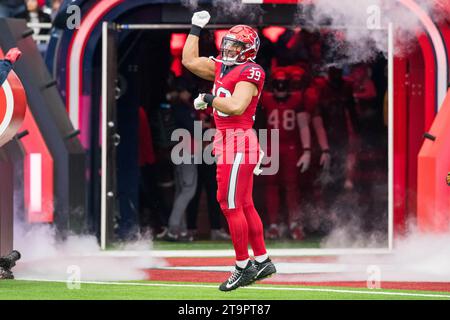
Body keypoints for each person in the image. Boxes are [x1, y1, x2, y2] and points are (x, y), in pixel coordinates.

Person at [182, 11, 276, 291]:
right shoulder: (223, 66)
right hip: (227, 141)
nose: (229, 48)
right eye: (228, 43)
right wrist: (196, 28)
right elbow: (188, 60)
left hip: (239, 141)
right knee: (243, 203)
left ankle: (242, 267)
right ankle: (262, 260)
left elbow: (235, 106)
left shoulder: (251, 70)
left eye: (236, 45)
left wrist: (208, 99)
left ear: (248, 51)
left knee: (229, 203)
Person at [261, 66, 330, 241]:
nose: (281, 88)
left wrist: (307, 150)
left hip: (290, 147)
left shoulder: (298, 99)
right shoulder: (266, 99)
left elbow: (304, 125)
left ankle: (294, 223)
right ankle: (274, 225)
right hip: (271, 145)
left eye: (284, 84)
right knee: (272, 186)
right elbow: (258, 124)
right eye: (278, 84)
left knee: (292, 187)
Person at [162, 77, 199, 242]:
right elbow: (193, 128)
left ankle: (181, 230)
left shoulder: (173, 107)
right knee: (188, 190)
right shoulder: (181, 108)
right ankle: (174, 228)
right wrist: (203, 125)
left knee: (180, 190)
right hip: (186, 152)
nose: (187, 94)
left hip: (178, 151)